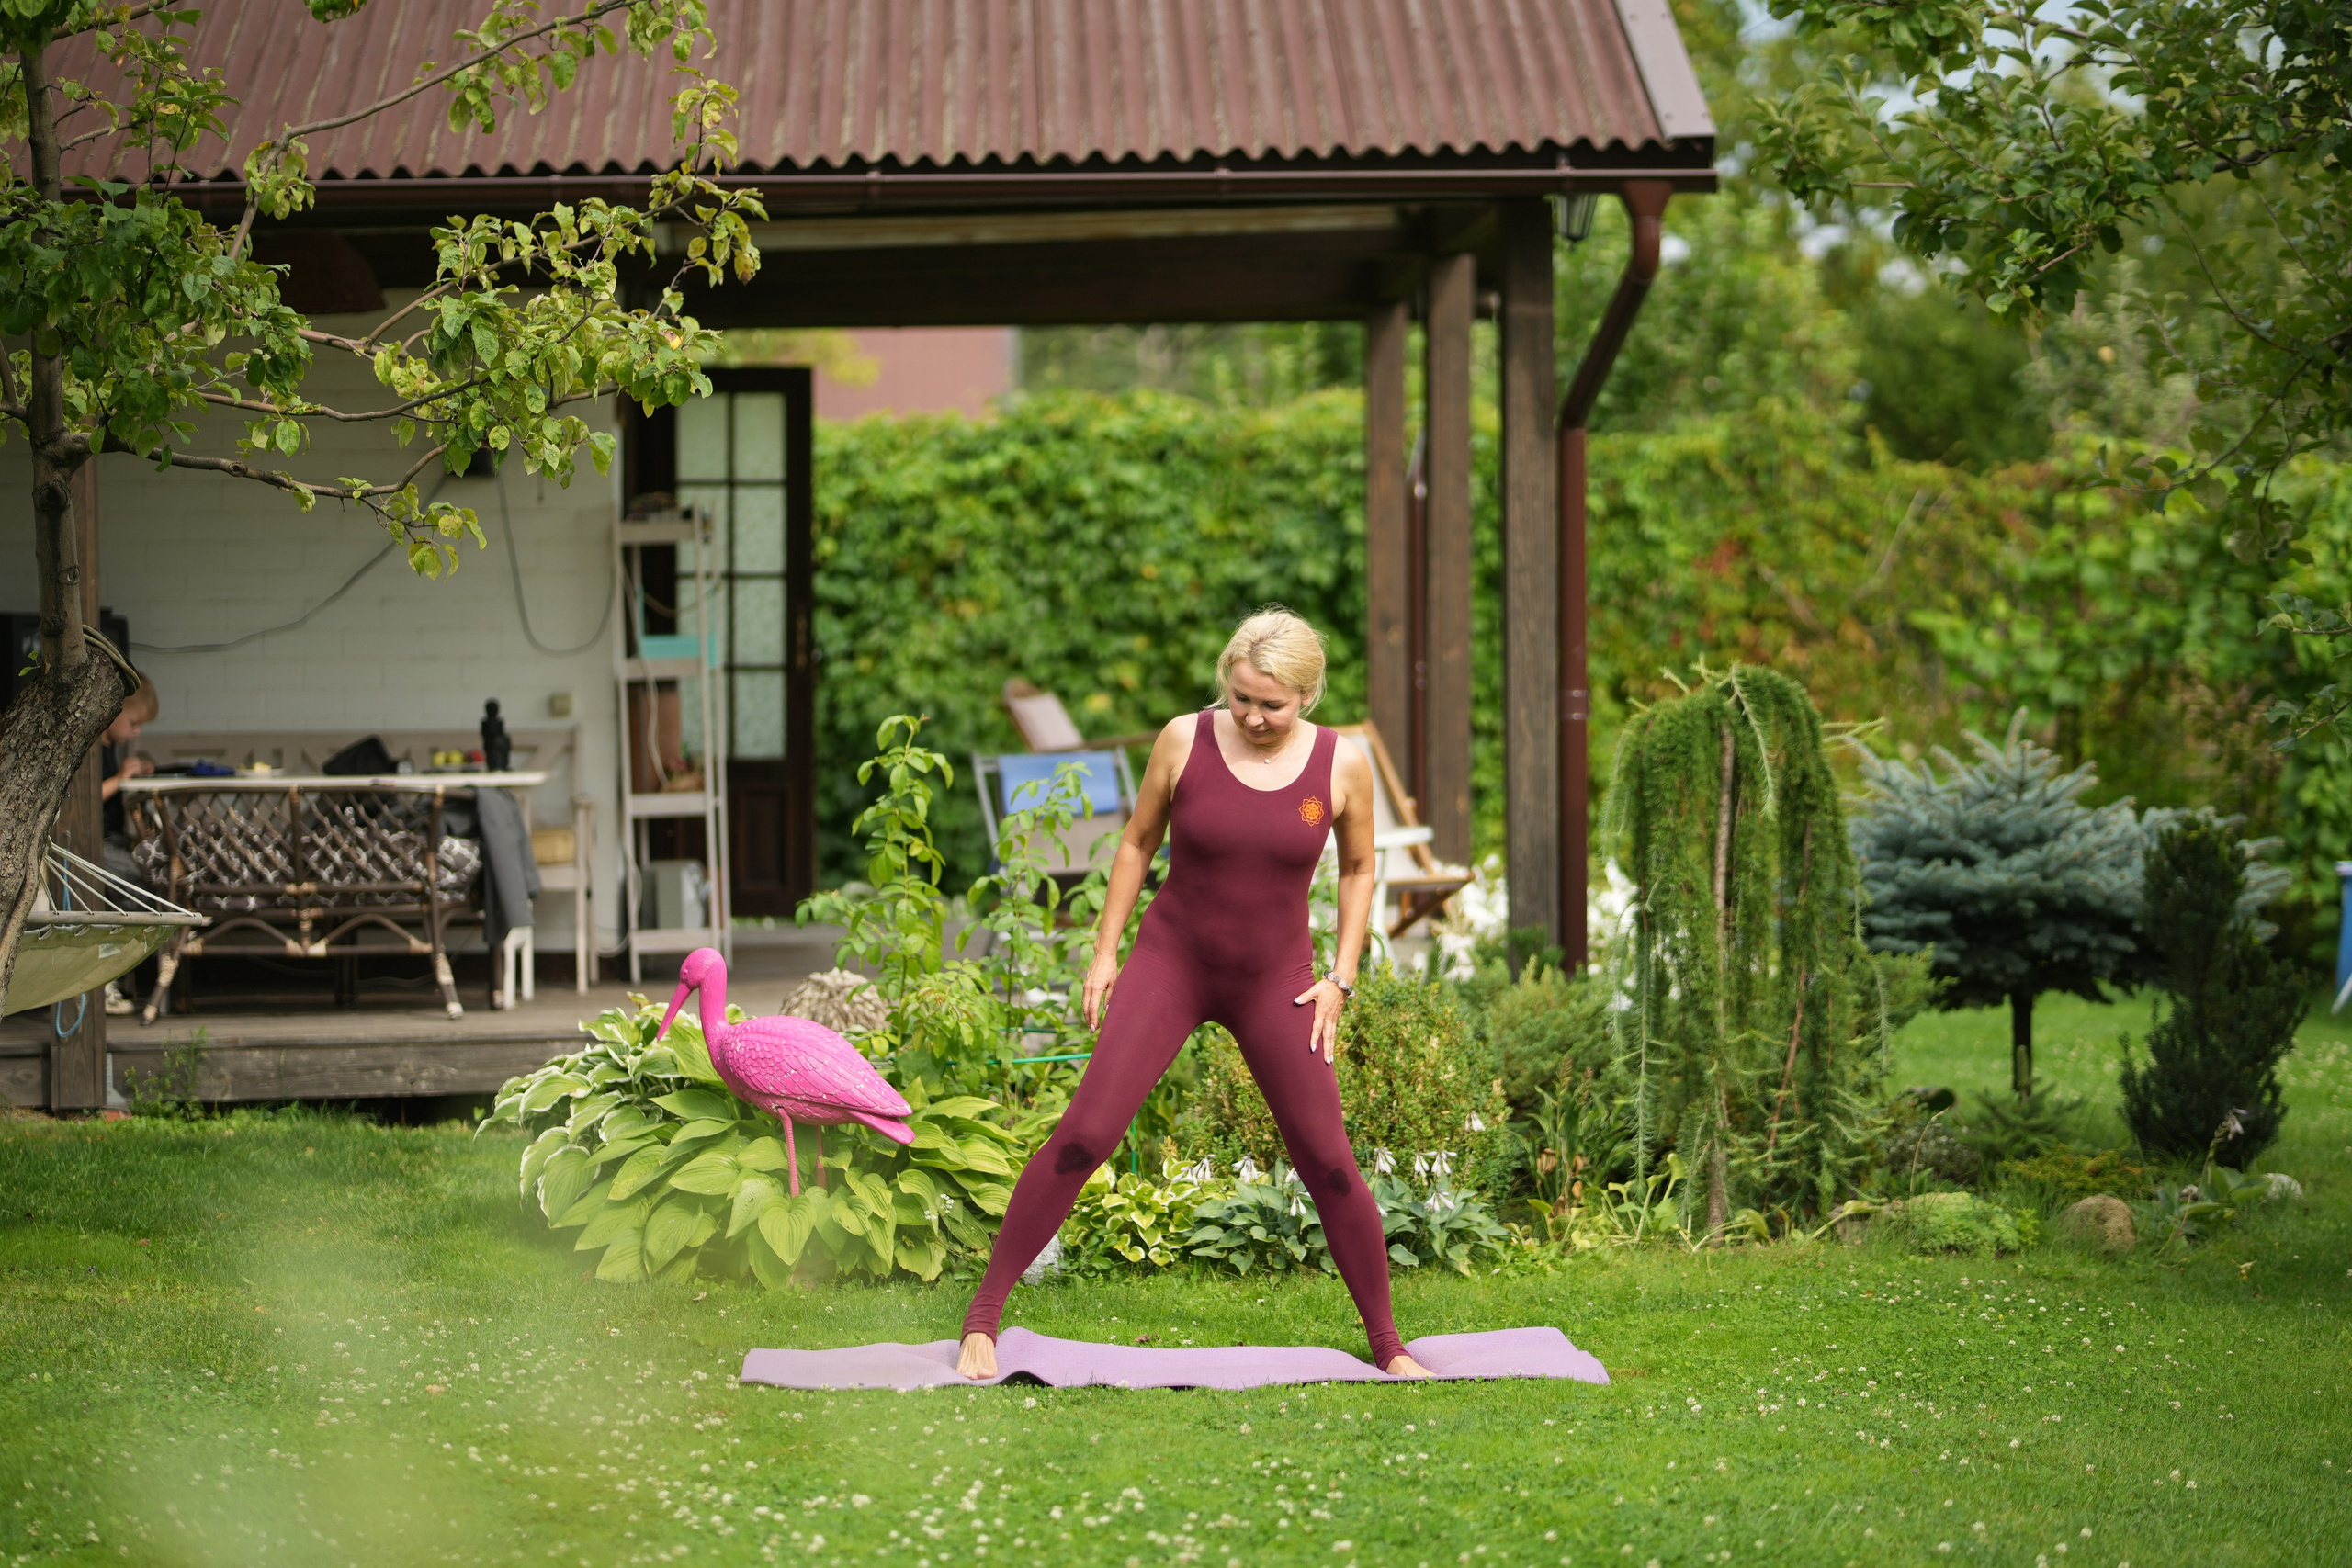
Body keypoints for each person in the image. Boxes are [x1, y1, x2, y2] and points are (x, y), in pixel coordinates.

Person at [957, 608, 1430, 1379]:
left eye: (1271, 704)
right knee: (1086, 1133)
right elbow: (1137, 841)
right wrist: (1105, 954)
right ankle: (983, 1316)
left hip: (1277, 979)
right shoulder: (1186, 738)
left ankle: (1389, 1343)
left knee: (1329, 1160)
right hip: (1173, 961)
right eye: (1241, 696)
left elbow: (1357, 868)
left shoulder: (1342, 764)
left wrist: (1340, 976)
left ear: (1306, 695)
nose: (1251, 715)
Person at [98, 677, 159, 1014]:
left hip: (113, 838)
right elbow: (82, 798)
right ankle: (104, 977)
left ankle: (121, 975)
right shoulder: (91, 745)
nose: (136, 732)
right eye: (133, 723)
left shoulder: (112, 749)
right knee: (133, 886)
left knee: (154, 875)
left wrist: (132, 776)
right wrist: (120, 779)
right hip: (90, 842)